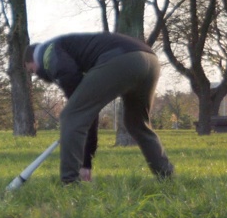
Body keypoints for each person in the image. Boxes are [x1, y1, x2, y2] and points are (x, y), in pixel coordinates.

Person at [25, 32, 174, 185]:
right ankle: (166, 175)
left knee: (71, 115)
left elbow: (72, 83)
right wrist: (86, 158)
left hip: (123, 59)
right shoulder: (64, 46)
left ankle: (70, 183)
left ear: (32, 60)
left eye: (31, 70)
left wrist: (85, 160)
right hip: (151, 61)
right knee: (137, 123)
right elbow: (89, 111)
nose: (35, 74)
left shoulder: (46, 52)